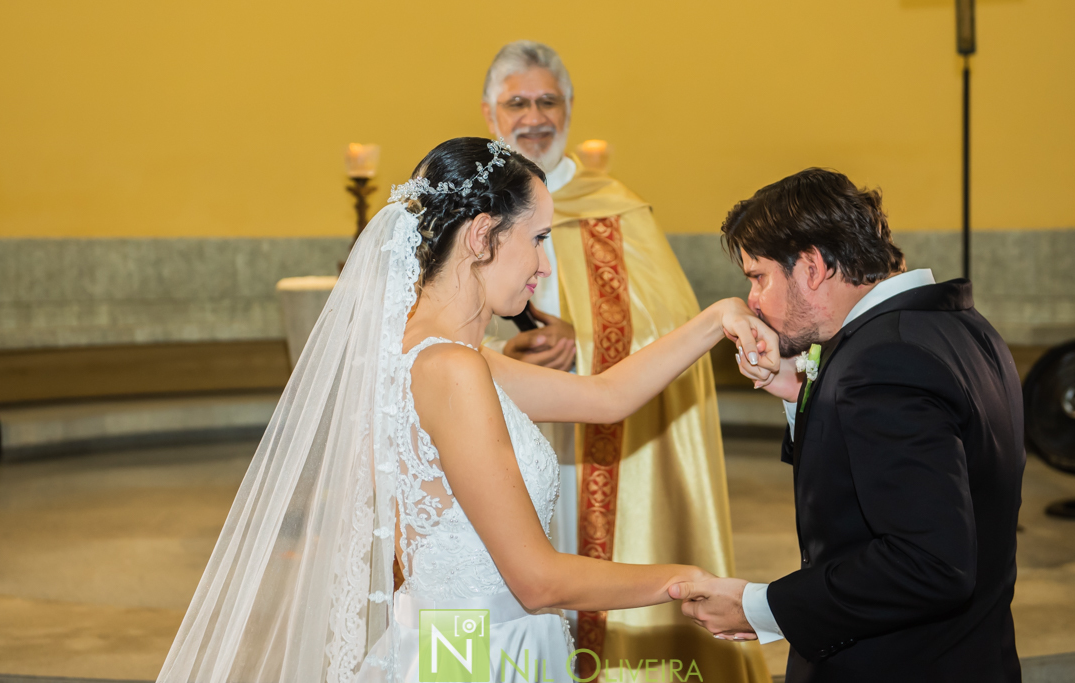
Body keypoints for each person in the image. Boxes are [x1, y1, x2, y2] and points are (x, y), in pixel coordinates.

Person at [154, 137, 779, 683]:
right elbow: (538, 581)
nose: (543, 264)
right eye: (536, 239)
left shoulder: (432, 355)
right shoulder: (451, 369)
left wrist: (716, 319)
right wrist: (687, 578)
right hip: (485, 652)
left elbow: (604, 399)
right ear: (482, 234)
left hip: (456, 639)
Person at [481, 42, 767, 682]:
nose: (534, 116)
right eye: (517, 102)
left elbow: (661, 317)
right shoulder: (469, 211)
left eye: (547, 100)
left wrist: (584, 341)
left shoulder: (614, 207)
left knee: (550, 579)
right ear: (488, 112)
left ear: (570, 108)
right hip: (497, 427)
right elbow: (439, 332)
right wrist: (506, 352)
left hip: (592, 439)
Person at [672, 169, 1025, 682]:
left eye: (758, 277)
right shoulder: (961, 326)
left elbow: (928, 563)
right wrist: (800, 394)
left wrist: (760, 607)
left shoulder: (882, 360)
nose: (753, 300)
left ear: (812, 266)